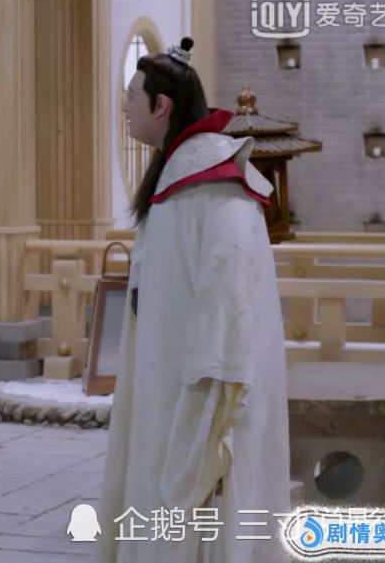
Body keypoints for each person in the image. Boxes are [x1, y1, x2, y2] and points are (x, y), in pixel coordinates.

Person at [96, 38, 290, 563]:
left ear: (161, 105)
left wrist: (208, 408)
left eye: (131, 96)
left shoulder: (217, 189)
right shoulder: (178, 178)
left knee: (202, 518)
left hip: (200, 388)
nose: (125, 107)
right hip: (166, 377)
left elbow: (229, 306)